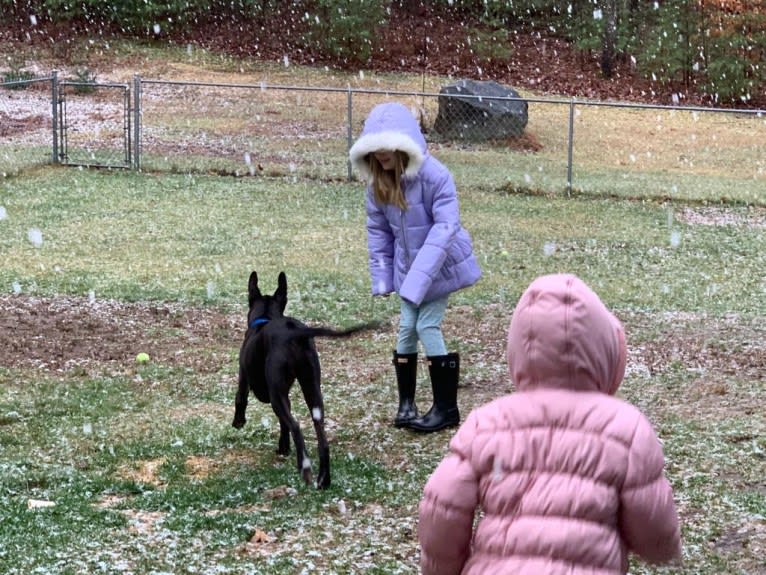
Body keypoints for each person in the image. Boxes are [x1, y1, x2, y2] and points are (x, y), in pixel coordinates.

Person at [418, 273, 682, 574]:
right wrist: (664, 547)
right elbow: (653, 529)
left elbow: (442, 508)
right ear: (606, 349)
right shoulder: (625, 429)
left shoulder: (486, 424)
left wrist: (441, 568)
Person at [348, 101, 481, 433]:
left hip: (441, 268)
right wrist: (383, 278)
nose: (381, 154)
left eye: (387, 146)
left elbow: (446, 228)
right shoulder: (378, 186)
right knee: (407, 330)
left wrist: (420, 278)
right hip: (410, 272)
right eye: (375, 149)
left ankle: (446, 409)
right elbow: (379, 233)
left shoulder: (436, 176)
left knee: (426, 327)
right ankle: (406, 406)